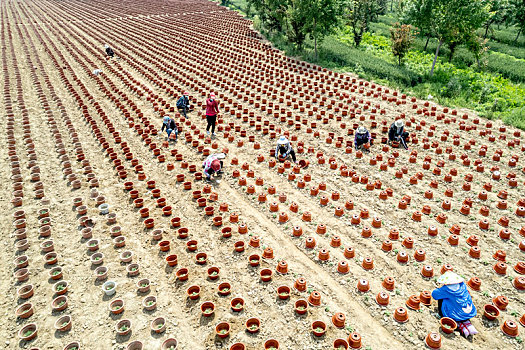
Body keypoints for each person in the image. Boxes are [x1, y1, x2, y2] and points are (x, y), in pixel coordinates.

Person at [432, 271, 478, 338]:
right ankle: (468, 325)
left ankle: (457, 323)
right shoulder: (462, 285)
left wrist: (440, 288)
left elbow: (435, 295)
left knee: (442, 298)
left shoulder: (446, 289)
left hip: (455, 314)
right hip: (468, 311)